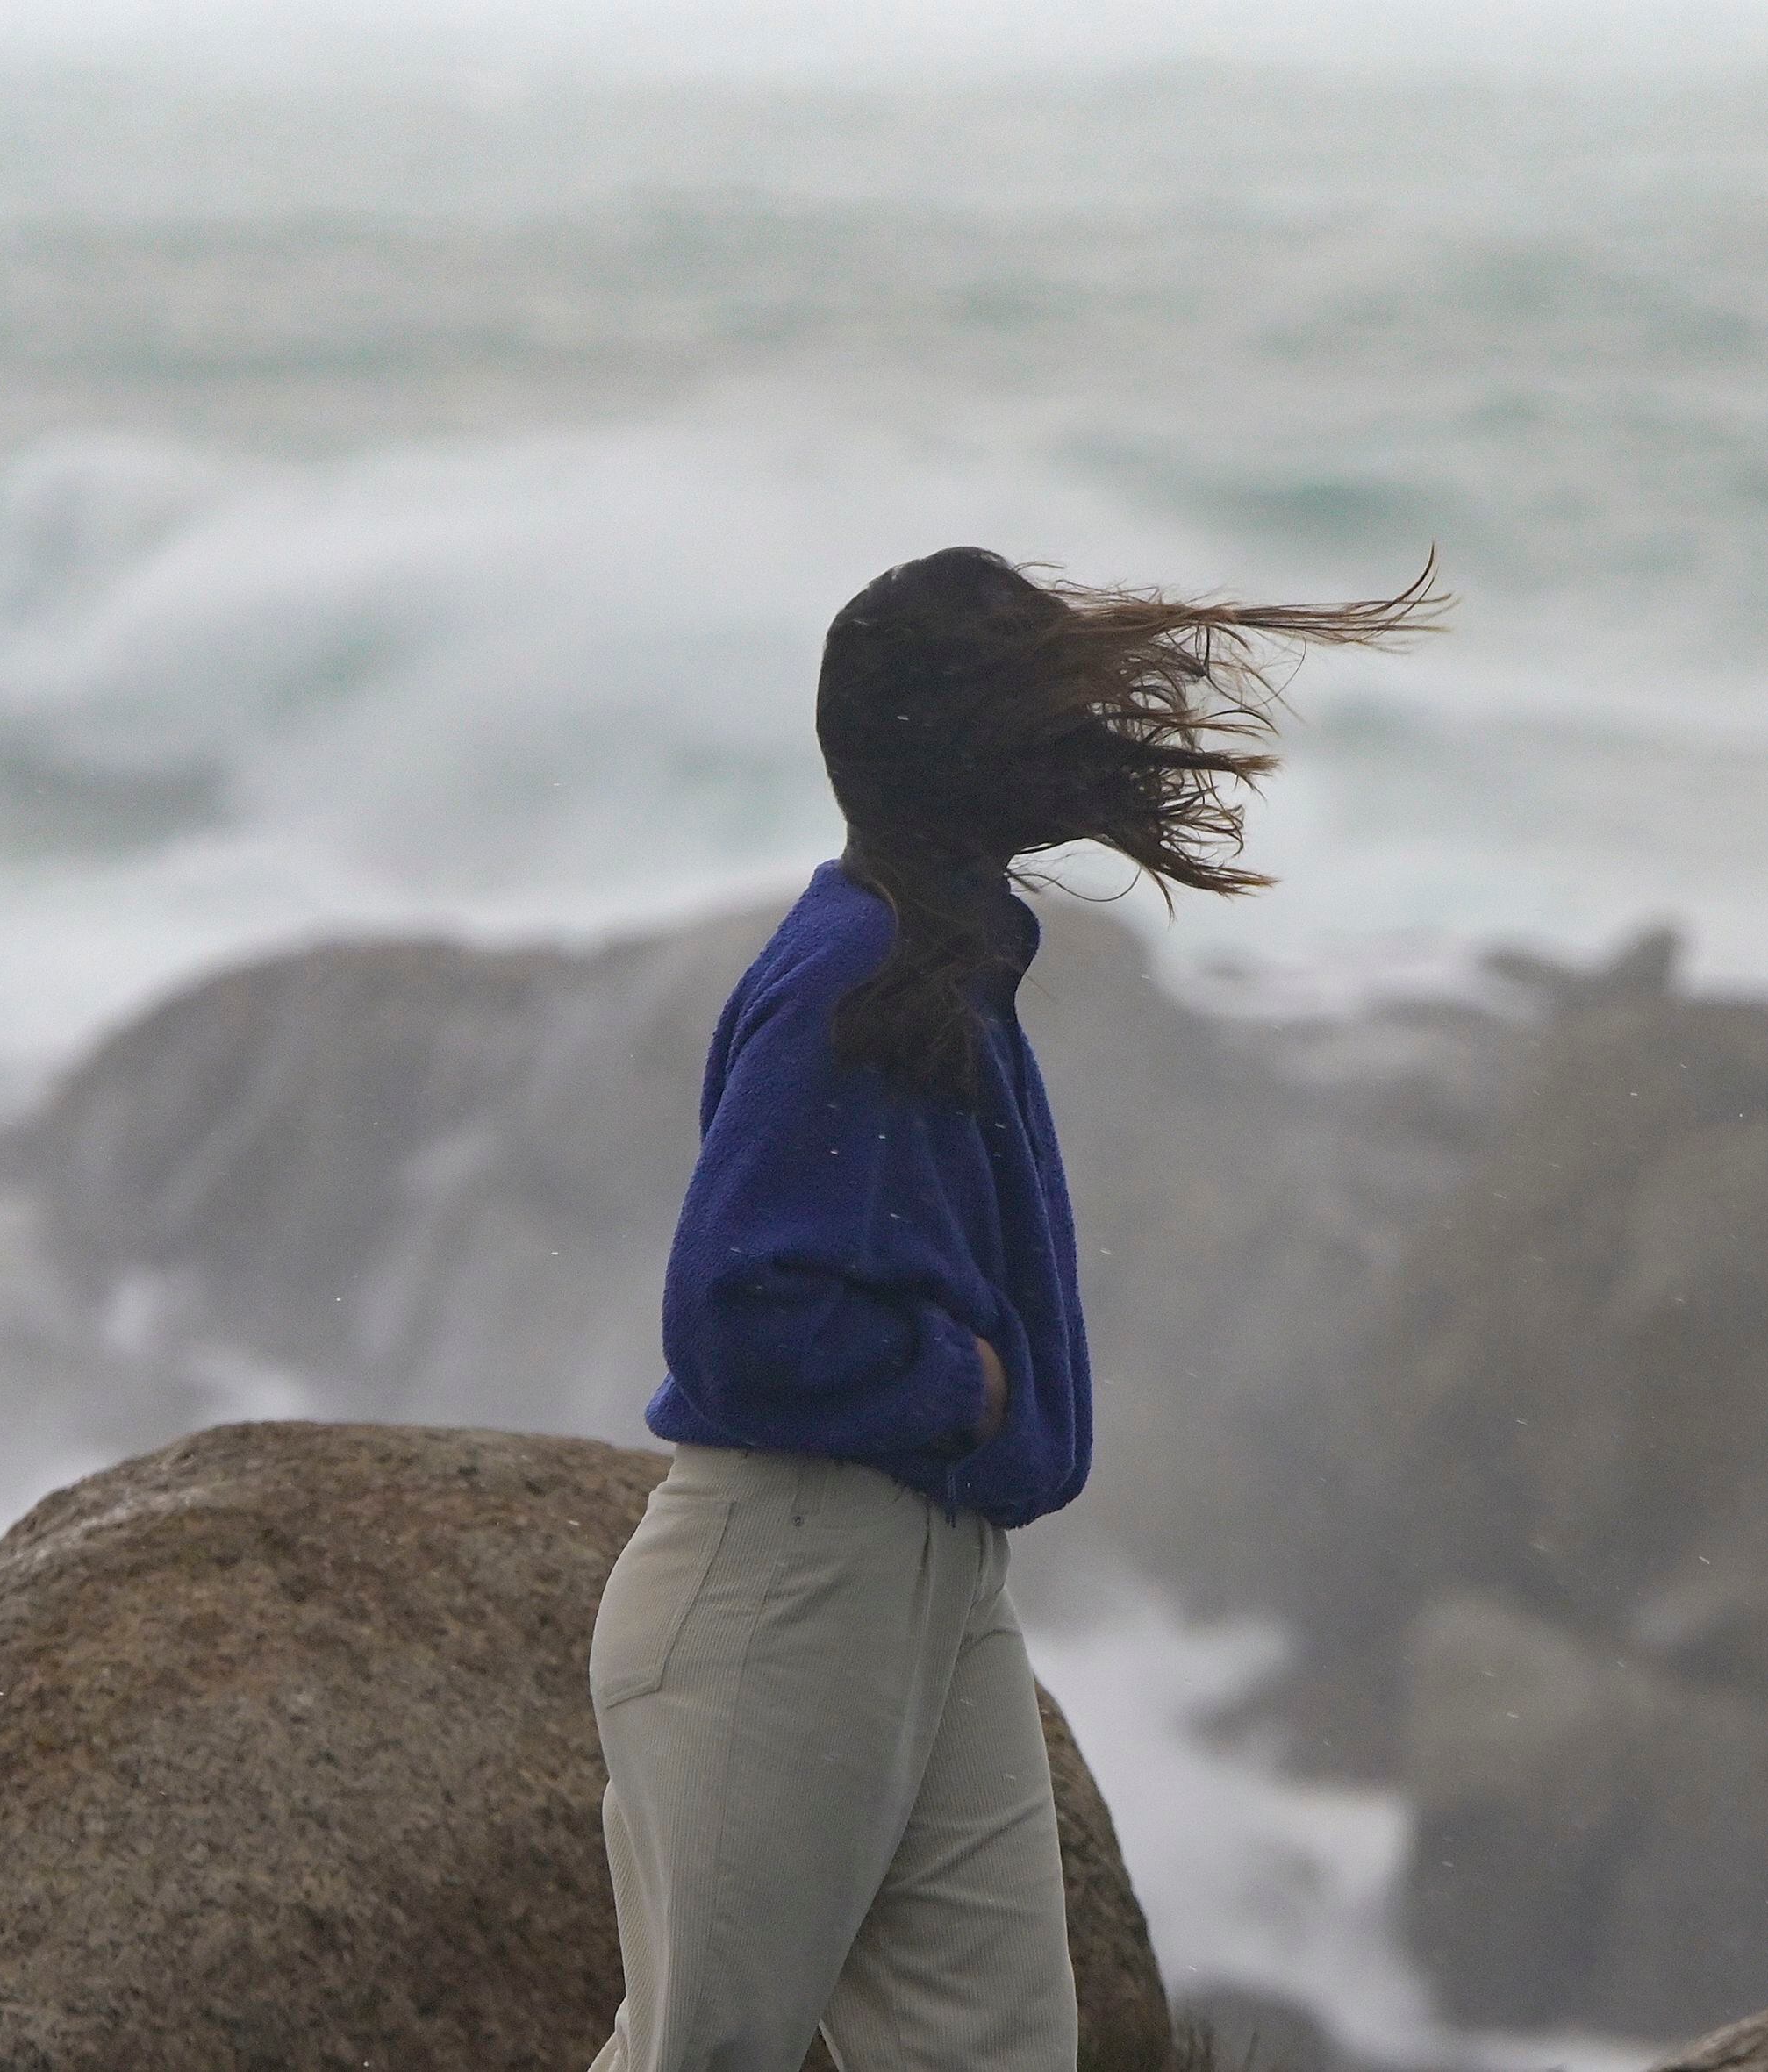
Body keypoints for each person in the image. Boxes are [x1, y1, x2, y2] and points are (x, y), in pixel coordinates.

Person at [584, 547, 1441, 2072]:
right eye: (1039, 686)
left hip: (934, 1582)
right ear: (959, 749)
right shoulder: (855, 962)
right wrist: (958, 1385)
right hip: (789, 1575)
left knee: (998, 2051)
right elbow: (731, 1312)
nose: (1089, 708)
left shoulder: (940, 954)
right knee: (706, 2054)